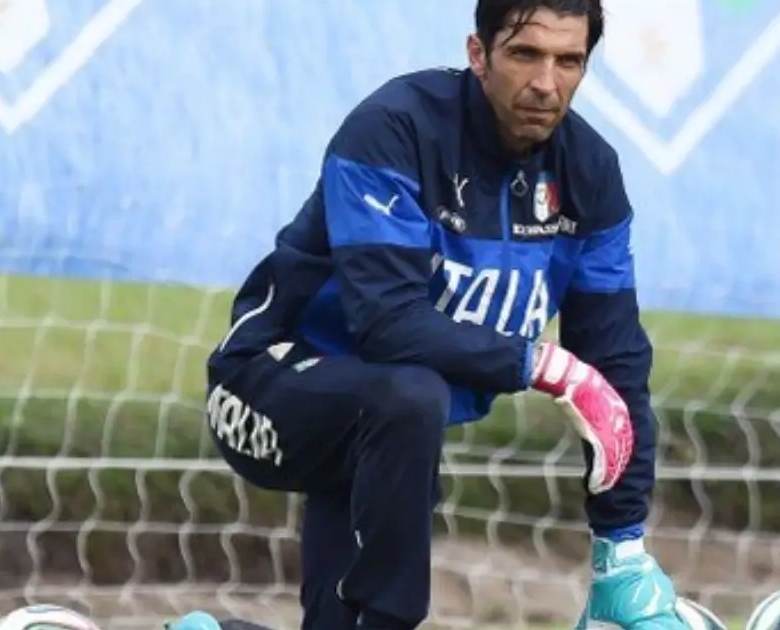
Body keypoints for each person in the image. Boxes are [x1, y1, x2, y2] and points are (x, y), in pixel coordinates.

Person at [170, 0, 689, 628]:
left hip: (388, 430)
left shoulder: (590, 172)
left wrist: (620, 547)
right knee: (411, 396)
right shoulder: (393, 129)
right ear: (478, 54)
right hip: (267, 384)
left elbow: (616, 362)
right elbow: (387, 323)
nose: (546, 83)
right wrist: (546, 366)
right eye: (525, 54)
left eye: (568, 61)